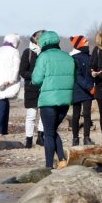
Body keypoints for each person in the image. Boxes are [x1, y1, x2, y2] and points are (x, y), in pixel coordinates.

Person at [31, 31, 75, 169]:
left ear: (43, 42)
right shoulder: (68, 57)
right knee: (53, 130)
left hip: (48, 100)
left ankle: (49, 166)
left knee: (48, 134)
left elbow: (36, 79)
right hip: (65, 100)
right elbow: (74, 78)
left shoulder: (43, 57)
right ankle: (61, 159)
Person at [19, 30, 45, 148]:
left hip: (45, 87)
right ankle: (29, 140)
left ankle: (41, 137)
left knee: (44, 114)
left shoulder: (46, 53)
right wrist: (35, 76)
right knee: (31, 115)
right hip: (31, 88)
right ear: (36, 39)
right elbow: (23, 72)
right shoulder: (28, 52)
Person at [69, 34, 95, 146]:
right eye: (85, 41)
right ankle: (75, 138)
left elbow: (91, 73)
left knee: (88, 115)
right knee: (75, 115)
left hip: (88, 91)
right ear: (79, 44)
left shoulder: (90, 57)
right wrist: (90, 87)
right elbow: (77, 76)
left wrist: (96, 74)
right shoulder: (74, 59)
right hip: (78, 90)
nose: (88, 42)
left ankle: (86, 138)